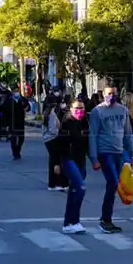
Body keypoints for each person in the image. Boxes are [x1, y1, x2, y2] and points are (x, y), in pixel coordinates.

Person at [88, 84, 133, 234]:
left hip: (119, 152)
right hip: (105, 152)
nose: (111, 96)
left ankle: (107, 218)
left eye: (114, 93)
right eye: (109, 93)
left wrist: (132, 154)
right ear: (103, 94)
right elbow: (93, 135)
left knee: (114, 185)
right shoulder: (97, 111)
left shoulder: (123, 110)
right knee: (113, 182)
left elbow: (127, 133)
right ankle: (105, 220)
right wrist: (94, 158)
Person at [54, 98, 90, 234]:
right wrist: (56, 163)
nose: (79, 111)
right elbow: (58, 144)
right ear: (71, 109)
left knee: (73, 191)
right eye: (77, 108)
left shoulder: (85, 122)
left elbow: (87, 143)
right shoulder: (66, 123)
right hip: (68, 159)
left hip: (81, 160)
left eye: (82, 108)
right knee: (80, 188)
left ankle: (68, 223)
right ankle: (74, 221)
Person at [42, 95, 67, 191]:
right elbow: (53, 129)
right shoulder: (51, 114)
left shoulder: (46, 112)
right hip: (52, 139)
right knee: (55, 162)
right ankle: (53, 183)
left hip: (47, 139)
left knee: (54, 161)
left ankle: (55, 183)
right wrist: (59, 132)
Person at [1, 87, 31, 160]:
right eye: (15, 91)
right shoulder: (9, 100)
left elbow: (28, 107)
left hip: (20, 121)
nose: (16, 93)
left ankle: (18, 149)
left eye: (17, 91)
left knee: (21, 138)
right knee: (13, 138)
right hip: (12, 122)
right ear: (13, 93)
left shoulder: (22, 99)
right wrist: (5, 124)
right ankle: (15, 153)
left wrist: (26, 107)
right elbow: (3, 111)